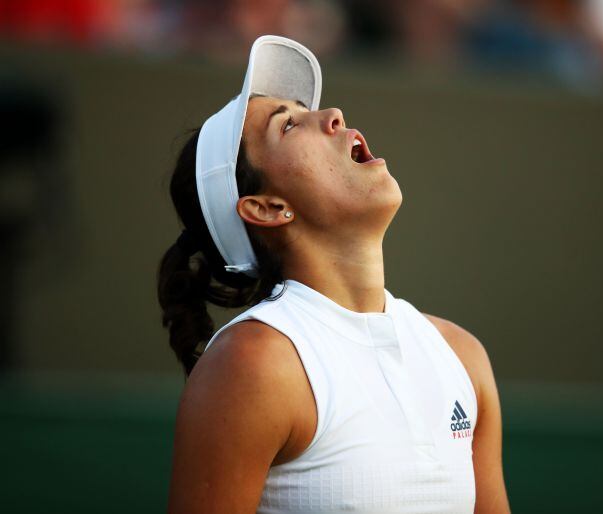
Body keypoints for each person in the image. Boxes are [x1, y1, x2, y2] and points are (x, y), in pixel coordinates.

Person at [158, 35, 510, 514]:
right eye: (288, 125)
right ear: (268, 207)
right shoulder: (253, 364)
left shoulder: (462, 356)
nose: (333, 115)